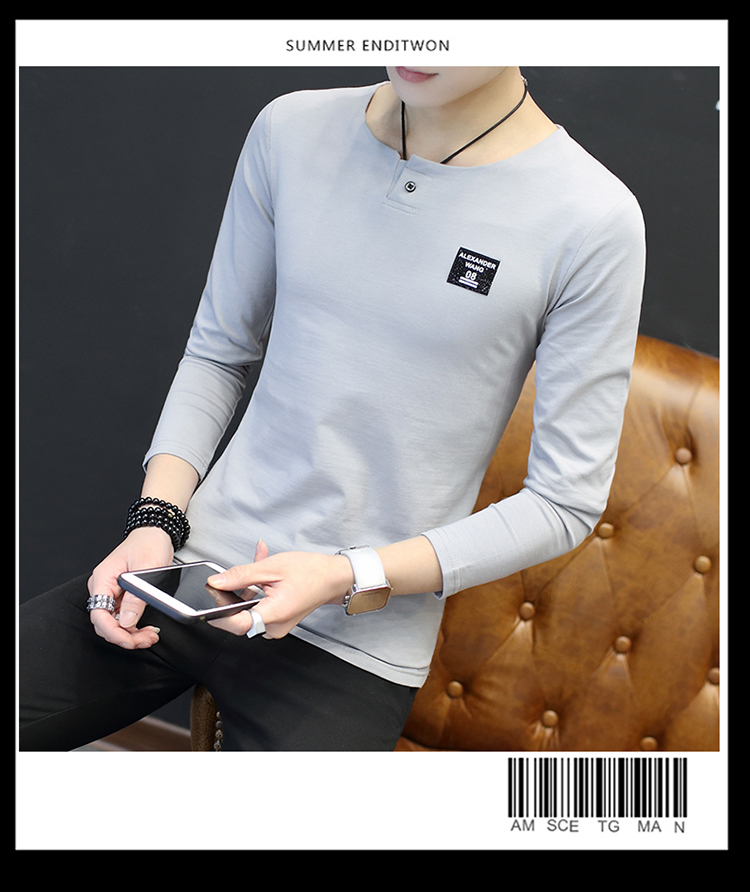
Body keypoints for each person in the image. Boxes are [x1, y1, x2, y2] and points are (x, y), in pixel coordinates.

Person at [19, 67, 646, 751]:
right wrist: (155, 523)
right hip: (190, 572)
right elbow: (219, 354)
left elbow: (563, 502)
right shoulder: (290, 129)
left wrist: (346, 574)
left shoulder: (593, 217)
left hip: (355, 640)